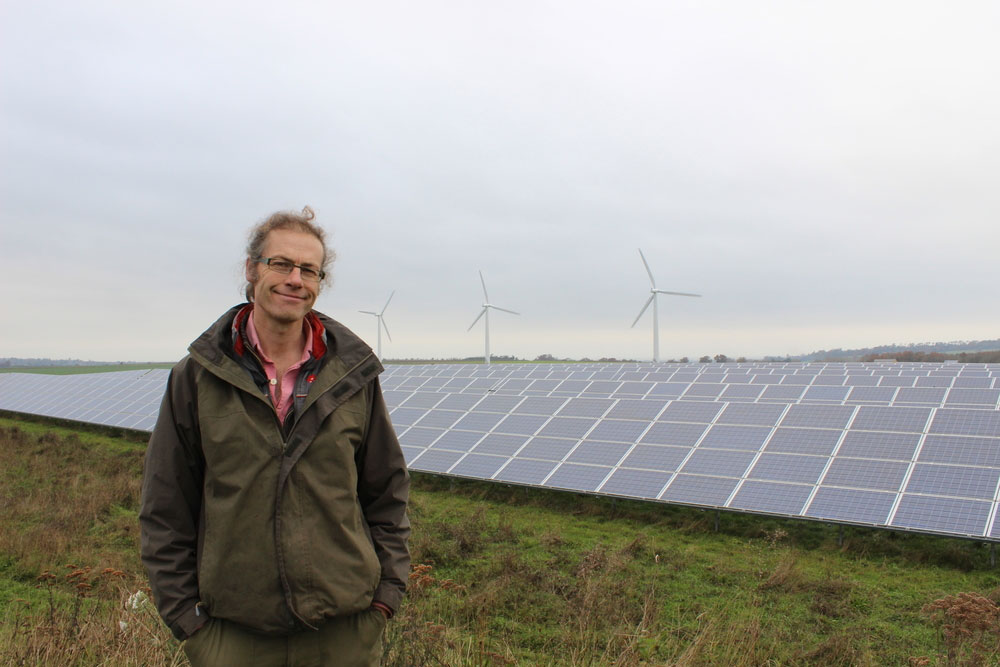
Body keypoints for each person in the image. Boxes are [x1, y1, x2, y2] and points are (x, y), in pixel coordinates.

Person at [139, 206, 410, 666]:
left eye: (309, 269)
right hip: (233, 637)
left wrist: (385, 596)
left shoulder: (354, 377)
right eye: (280, 264)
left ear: (320, 282)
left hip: (344, 633)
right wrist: (188, 619)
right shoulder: (197, 377)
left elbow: (387, 490)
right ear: (251, 269)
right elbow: (165, 505)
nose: (295, 279)